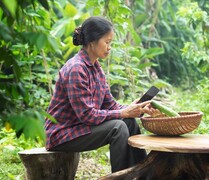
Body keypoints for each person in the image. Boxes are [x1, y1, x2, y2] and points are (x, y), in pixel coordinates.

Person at [44, 16, 159, 173]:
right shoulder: (76, 69)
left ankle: (143, 173)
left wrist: (133, 108)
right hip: (63, 133)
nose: (109, 47)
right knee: (117, 127)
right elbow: (87, 116)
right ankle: (119, 177)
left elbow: (110, 105)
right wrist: (122, 112)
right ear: (92, 42)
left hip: (80, 127)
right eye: (107, 42)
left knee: (130, 122)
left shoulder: (95, 67)